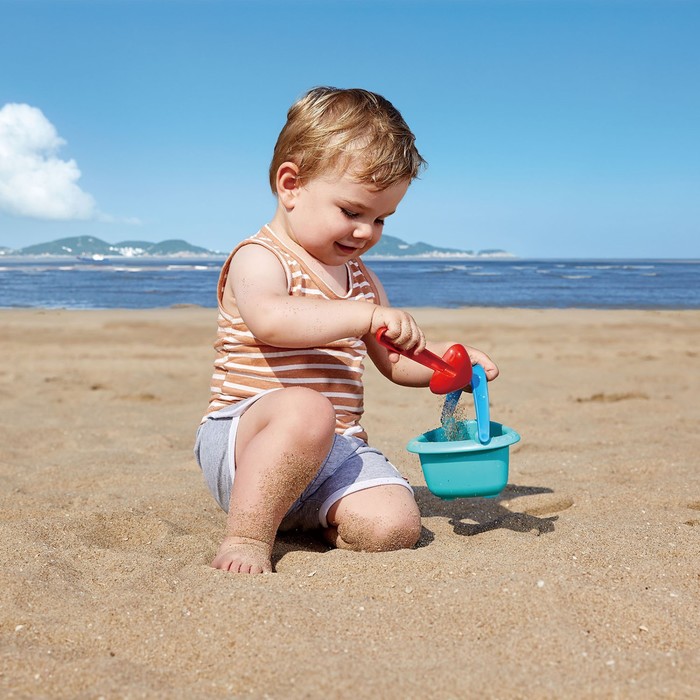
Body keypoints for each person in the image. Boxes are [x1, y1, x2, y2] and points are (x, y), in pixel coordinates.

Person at [194, 87, 498, 574]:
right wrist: (361, 316)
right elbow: (271, 318)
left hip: (332, 453)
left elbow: (396, 362)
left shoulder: (363, 282)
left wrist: (450, 364)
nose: (366, 232)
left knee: (395, 528)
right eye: (352, 211)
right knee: (306, 408)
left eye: (381, 219)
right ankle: (249, 534)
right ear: (291, 185)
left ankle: (314, 516)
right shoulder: (260, 257)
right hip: (248, 445)